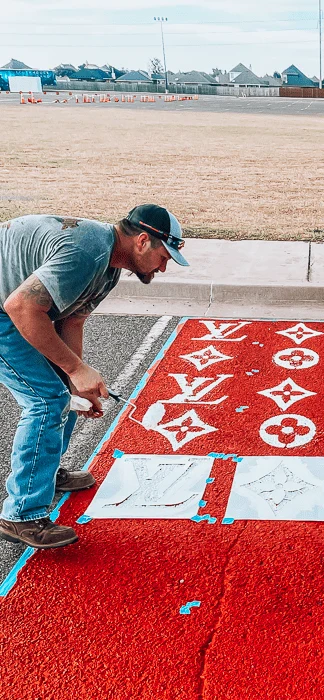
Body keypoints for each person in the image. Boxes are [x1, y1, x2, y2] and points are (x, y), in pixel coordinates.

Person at [0, 205, 189, 550]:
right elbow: (21, 307)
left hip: (14, 304)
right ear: (142, 241)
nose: (163, 267)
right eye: (164, 257)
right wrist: (75, 369)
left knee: (66, 393)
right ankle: (21, 514)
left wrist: (77, 381)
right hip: (7, 309)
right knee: (46, 400)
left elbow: (71, 320)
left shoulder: (108, 268)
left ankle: (44, 473)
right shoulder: (88, 252)